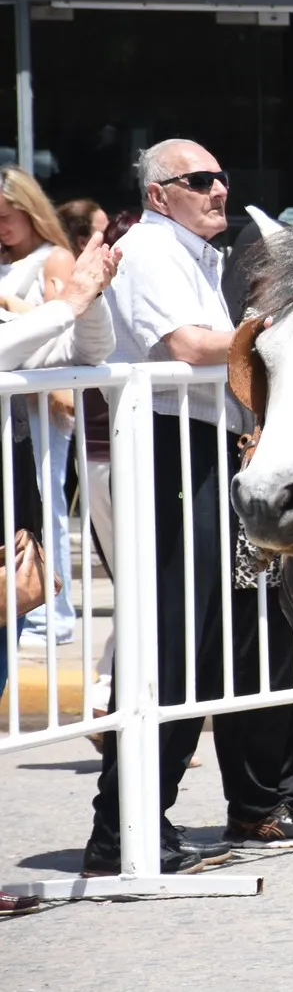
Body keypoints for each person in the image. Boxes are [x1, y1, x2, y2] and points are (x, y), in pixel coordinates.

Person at [86, 139, 293, 878]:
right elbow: (188, 346)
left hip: (213, 447)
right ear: (159, 194)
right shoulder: (150, 249)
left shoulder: (196, 255)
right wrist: (282, 332)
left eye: (222, 177)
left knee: (239, 632)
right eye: (199, 180)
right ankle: (123, 827)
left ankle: (255, 803)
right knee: (177, 640)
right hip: (171, 448)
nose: (219, 189)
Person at [0, 169, 83, 652]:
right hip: (11, 407)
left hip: (39, 402)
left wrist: (9, 304)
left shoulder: (54, 257)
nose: (3, 227)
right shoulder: (10, 260)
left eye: (7, 216)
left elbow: (64, 324)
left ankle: (54, 610)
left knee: (46, 503)